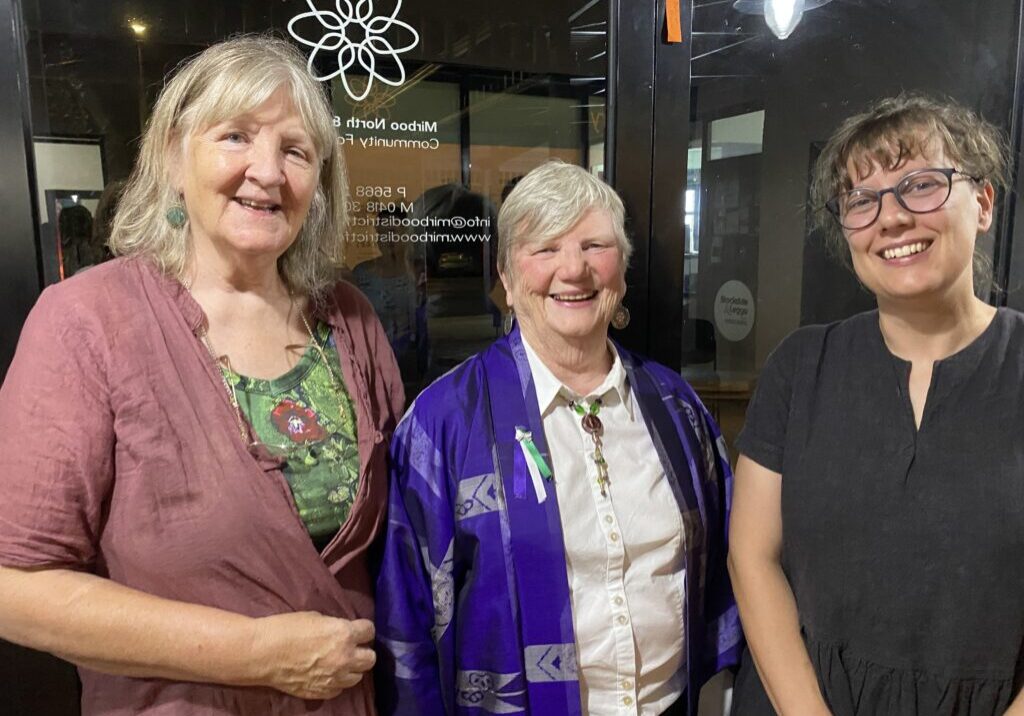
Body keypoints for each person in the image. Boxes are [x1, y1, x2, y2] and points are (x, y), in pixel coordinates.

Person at [0, 36, 403, 715]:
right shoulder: (87, 322)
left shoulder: (350, 319)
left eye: (295, 150)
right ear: (172, 158)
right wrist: (256, 655)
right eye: (236, 137)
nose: (268, 172)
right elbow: (14, 585)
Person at [375, 160, 741, 716]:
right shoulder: (443, 423)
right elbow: (405, 626)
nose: (573, 270)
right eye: (545, 248)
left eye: (594, 245)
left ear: (622, 270)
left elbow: (728, 575)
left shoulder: (676, 409)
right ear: (506, 276)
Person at [728, 94, 1024, 715]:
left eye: (921, 185)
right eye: (862, 201)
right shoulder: (801, 366)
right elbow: (752, 557)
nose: (890, 218)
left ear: (985, 203)